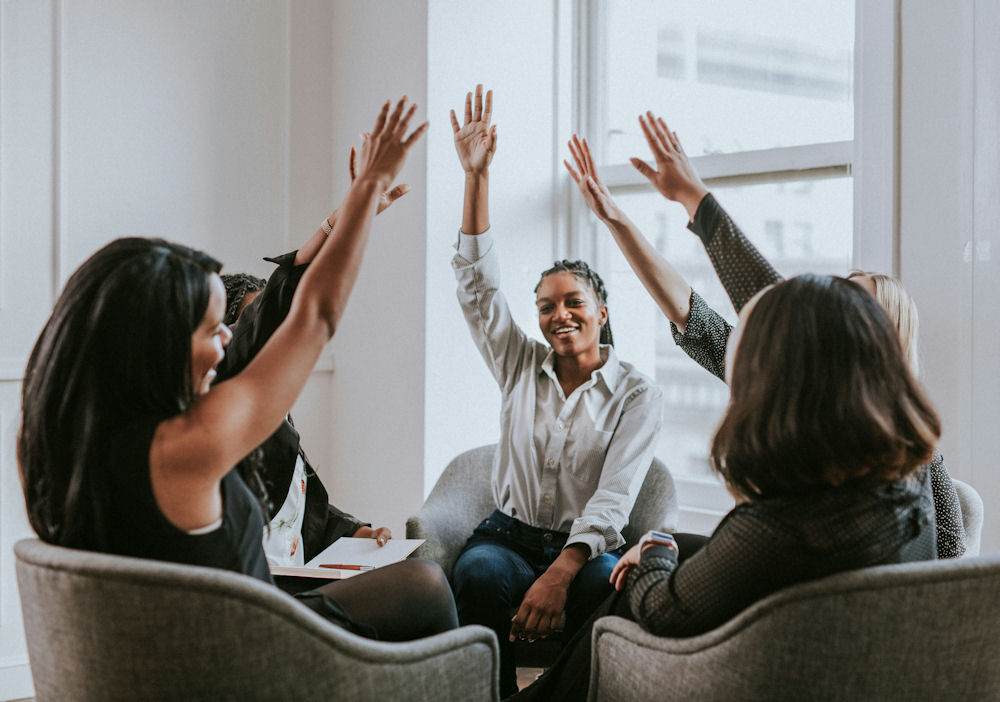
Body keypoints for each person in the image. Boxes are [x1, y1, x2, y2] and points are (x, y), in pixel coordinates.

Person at [18, 97, 456, 641]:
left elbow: (274, 317)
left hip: (178, 647)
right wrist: (366, 191)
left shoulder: (63, 442)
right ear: (156, 345)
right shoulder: (185, 447)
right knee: (425, 585)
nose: (227, 340)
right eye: (211, 329)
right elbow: (313, 316)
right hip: (248, 655)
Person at [511, 272, 941, 701]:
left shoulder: (777, 523)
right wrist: (696, 204)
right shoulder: (907, 476)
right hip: (864, 664)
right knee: (673, 540)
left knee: (633, 583)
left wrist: (652, 554)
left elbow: (664, 610)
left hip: (768, 672)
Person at [563, 118, 966, 559]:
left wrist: (695, 199)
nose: (826, 316)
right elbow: (693, 311)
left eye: (849, 309)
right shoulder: (793, 380)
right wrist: (620, 218)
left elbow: (945, 574)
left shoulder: (920, 465)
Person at [449, 84, 665, 697]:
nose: (558, 315)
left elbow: (617, 496)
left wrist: (564, 569)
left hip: (587, 548)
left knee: (606, 589)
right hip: (509, 537)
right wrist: (476, 177)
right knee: (481, 573)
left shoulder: (636, 394)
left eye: (575, 303)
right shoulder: (518, 362)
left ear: (602, 311)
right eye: (546, 306)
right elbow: (476, 289)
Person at [218, 144, 405, 574]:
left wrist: (356, 531)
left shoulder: (275, 408)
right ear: (233, 338)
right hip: (263, 587)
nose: (287, 337)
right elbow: (286, 302)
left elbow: (300, 506)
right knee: (424, 587)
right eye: (266, 326)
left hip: (296, 573)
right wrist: (340, 223)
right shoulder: (224, 402)